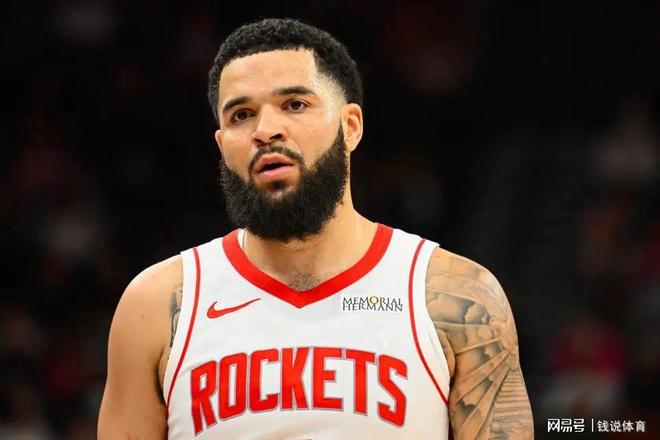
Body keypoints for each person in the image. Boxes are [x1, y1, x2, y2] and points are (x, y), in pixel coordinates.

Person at [98, 18, 533, 439]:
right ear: (221, 144)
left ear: (350, 127)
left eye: (295, 105)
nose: (266, 130)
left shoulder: (459, 297)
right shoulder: (153, 307)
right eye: (241, 115)